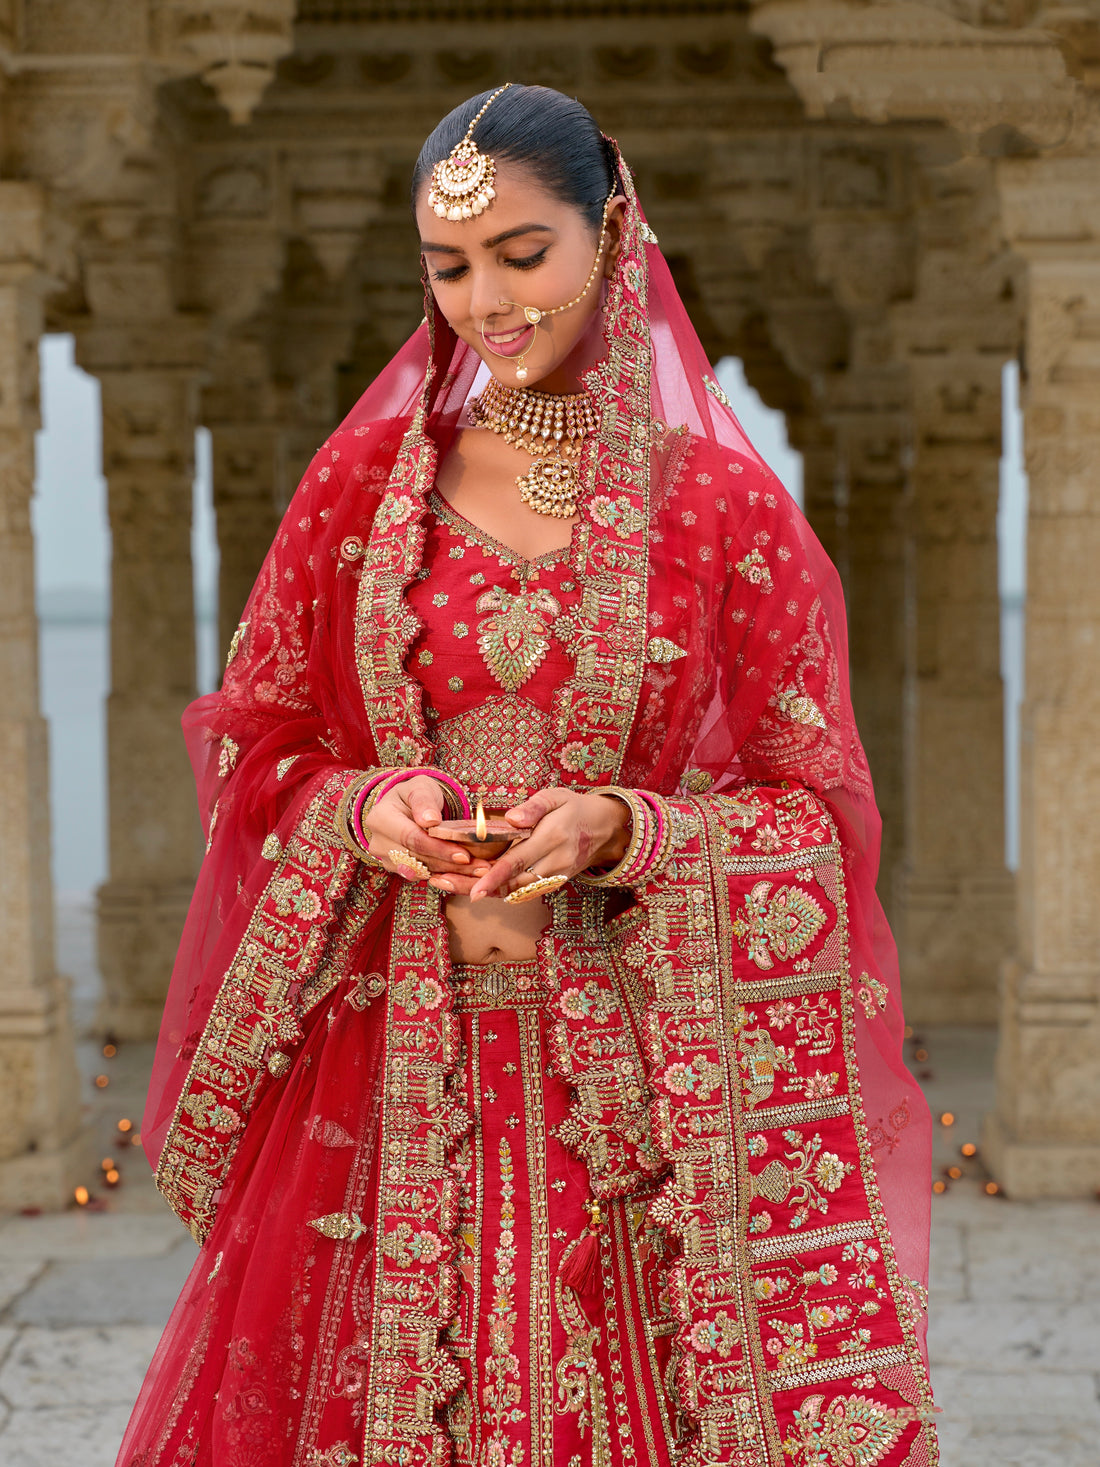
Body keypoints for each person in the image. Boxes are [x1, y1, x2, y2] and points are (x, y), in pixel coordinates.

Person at [118, 84, 938, 1467]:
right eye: (449, 268)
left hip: (626, 1081)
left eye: (522, 254)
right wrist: (369, 806)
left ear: (615, 235)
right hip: (384, 1063)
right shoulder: (360, 488)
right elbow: (257, 743)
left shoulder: (724, 511)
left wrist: (630, 828)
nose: (487, 301)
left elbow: (820, 811)